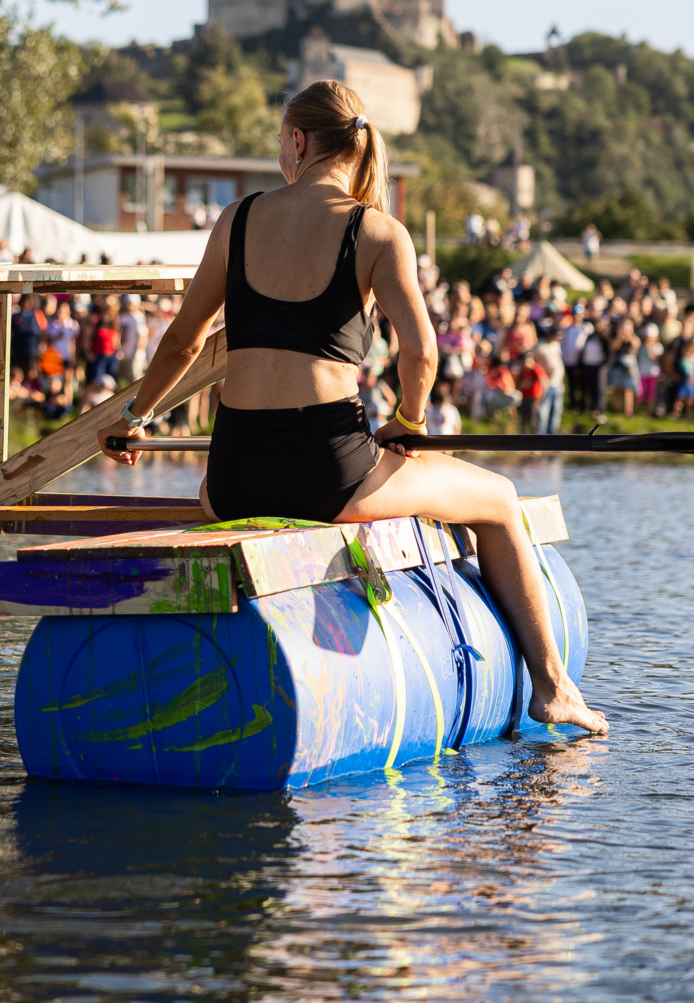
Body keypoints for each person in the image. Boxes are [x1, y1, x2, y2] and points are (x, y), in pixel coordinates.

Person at [95, 79, 604, 736]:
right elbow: (421, 352)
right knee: (502, 500)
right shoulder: (378, 232)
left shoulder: (237, 219)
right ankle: (554, 689)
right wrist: (410, 423)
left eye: (281, 141)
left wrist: (135, 419)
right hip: (329, 476)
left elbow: (182, 342)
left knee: (252, 469)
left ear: (298, 141)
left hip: (230, 481)